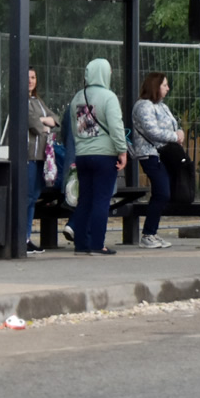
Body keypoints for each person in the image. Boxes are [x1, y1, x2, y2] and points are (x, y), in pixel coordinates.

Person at [69, 58, 126, 256]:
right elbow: (116, 127)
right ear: (103, 73)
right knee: (102, 199)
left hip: (83, 156)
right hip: (104, 157)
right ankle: (97, 243)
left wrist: (81, 148)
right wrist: (122, 150)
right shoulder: (108, 97)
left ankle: (81, 244)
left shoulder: (77, 97)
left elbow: (75, 129)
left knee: (84, 200)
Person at [130, 71, 181, 249]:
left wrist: (177, 133)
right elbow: (152, 131)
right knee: (162, 192)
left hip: (162, 153)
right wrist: (175, 136)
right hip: (149, 153)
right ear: (155, 86)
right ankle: (148, 234)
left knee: (163, 191)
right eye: (164, 85)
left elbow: (172, 125)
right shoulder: (144, 106)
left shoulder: (161, 106)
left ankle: (152, 232)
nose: (168, 88)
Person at [23, 66, 56, 255]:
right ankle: (22, 236)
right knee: (27, 197)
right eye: (27, 77)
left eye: (33, 77)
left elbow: (56, 119)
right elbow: (34, 126)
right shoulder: (23, 100)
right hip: (28, 155)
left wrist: (43, 120)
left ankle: (26, 236)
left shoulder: (38, 100)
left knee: (33, 197)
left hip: (41, 156)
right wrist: (44, 122)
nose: (30, 80)